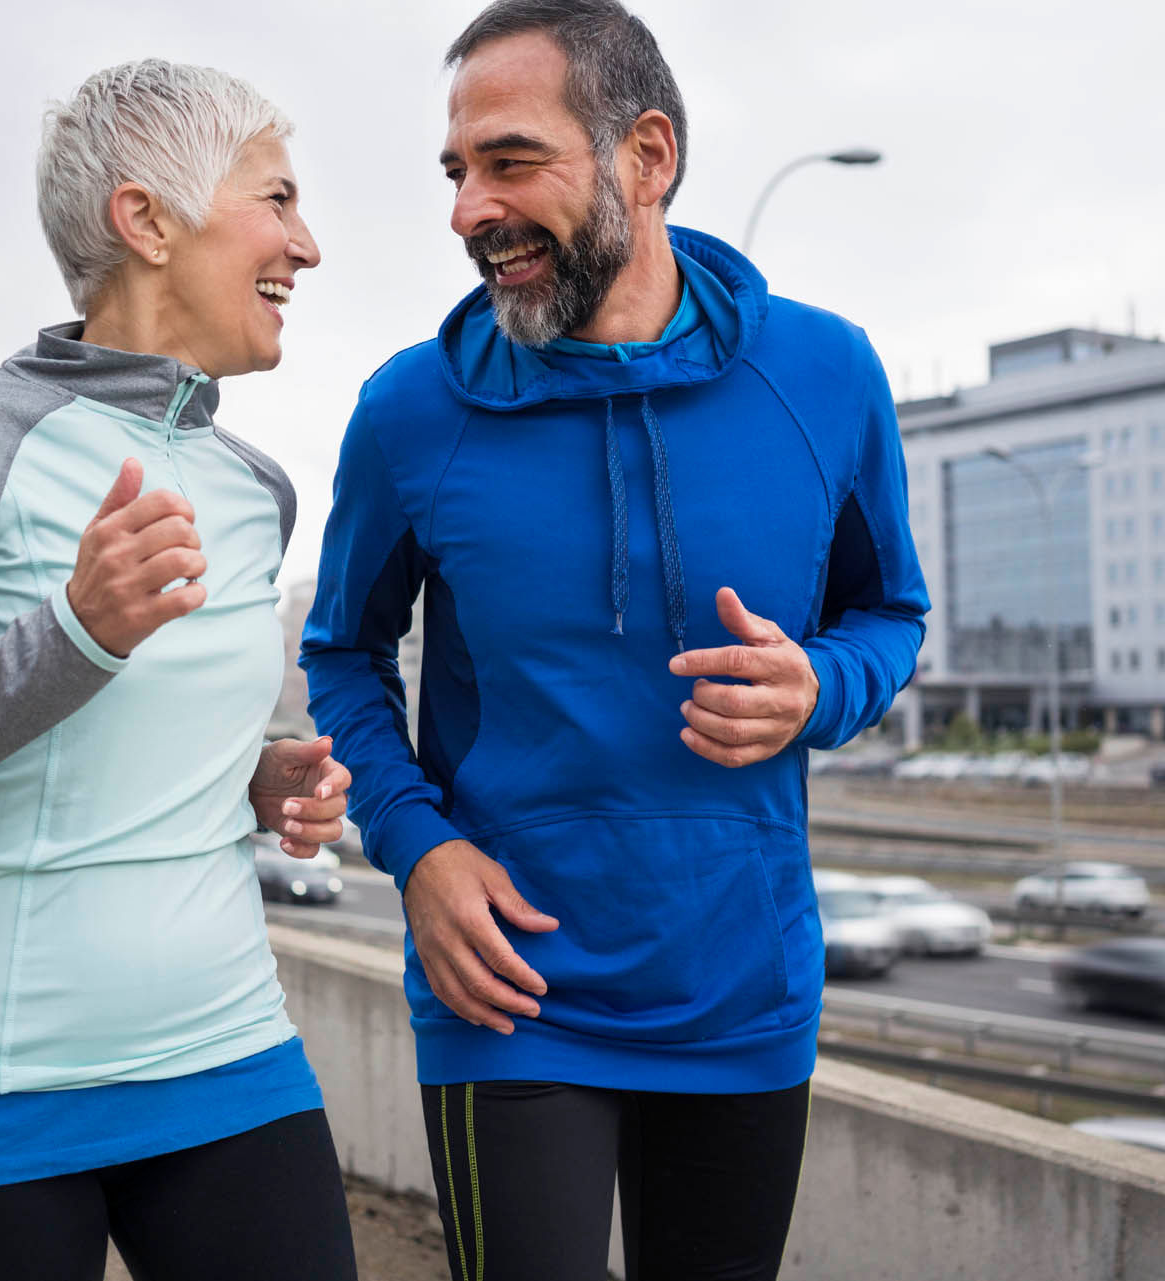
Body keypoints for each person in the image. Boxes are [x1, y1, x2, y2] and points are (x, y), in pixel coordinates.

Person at [300, 2, 930, 1277]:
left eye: (511, 163)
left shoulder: (826, 376)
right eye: (457, 172)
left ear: (648, 157)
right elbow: (340, 659)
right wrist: (417, 850)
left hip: (741, 990)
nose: (469, 209)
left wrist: (818, 686)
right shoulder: (410, 412)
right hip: (509, 993)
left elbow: (891, 619)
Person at [0, 60, 357, 1281]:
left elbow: (131, 751)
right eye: (275, 199)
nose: (306, 244)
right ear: (146, 220)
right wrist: (77, 634)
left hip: (230, 1066)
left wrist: (256, 776)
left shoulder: (257, 489)